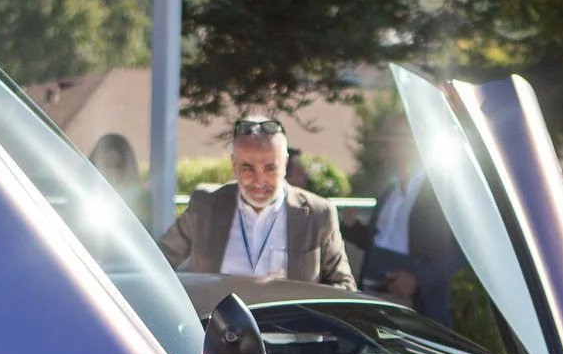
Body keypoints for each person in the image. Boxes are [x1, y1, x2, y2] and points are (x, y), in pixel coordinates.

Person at [158, 117, 354, 288]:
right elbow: (155, 263)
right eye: (248, 168)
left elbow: (344, 286)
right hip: (217, 330)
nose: (259, 181)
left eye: (270, 168)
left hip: (290, 330)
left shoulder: (318, 214)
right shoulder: (206, 206)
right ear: (234, 165)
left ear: (285, 164)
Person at [343, 150, 461, 327]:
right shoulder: (390, 190)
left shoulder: (440, 190)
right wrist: (352, 228)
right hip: (373, 296)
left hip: (418, 305)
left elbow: (459, 253)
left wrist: (418, 279)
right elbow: (381, 240)